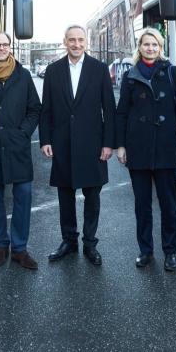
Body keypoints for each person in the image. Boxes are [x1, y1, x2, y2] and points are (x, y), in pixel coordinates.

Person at [39, 25, 116, 265]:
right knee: (66, 196)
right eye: (71, 40)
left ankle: (90, 244)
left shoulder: (99, 69)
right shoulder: (53, 71)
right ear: (65, 42)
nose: (76, 44)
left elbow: (109, 110)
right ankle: (69, 241)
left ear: (86, 42)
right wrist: (45, 140)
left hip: (92, 145)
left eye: (80, 40)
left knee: (92, 196)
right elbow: (46, 109)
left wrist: (108, 144)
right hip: (62, 143)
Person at [115, 28, 176, 271]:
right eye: (146, 44)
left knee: (168, 203)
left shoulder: (171, 72)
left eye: (155, 44)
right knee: (142, 204)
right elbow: (121, 112)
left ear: (160, 47)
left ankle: (171, 251)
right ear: (140, 47)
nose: (150, 48)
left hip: (166, 146)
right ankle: (146, 251)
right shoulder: (131, 76)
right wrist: (121, 145)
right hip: (138, 148)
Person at [0, 30, 41, 270]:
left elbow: (35, 108)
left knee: (23, 196)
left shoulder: (22, 75)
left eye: (6, 44)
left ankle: (20, 249)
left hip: (17, 146)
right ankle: (1, 245)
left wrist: (23, 133)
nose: (2, 48)